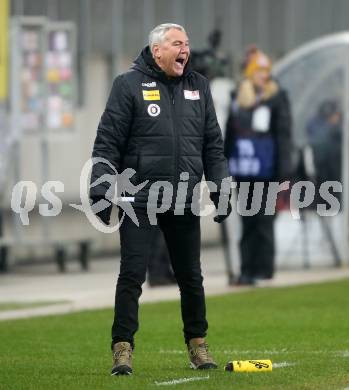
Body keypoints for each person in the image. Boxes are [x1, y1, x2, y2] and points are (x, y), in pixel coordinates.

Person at [90, 23, 231, 375]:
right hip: (138, 199)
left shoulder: (199, 86)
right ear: (157, 51)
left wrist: (221, 187)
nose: (185, 49)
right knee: (132, 274)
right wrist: (101, 189)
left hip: (182, 196)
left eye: (187, 42)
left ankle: (198, 345)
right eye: (177, 43)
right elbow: (107, 143)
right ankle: (122, 349)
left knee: (191, 277)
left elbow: (212, 144)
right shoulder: (128, 86)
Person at [224, 47, 292, 285]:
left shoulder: (276, 97)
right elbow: (230, 134)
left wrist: (284, 170)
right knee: (248, 220)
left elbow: (283, 135)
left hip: (267, 170)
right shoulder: (237, 97)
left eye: (266, 70)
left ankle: (263, 268)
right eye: (259, 70)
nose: (264, 75)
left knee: (264, 219)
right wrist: (222, 164)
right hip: (244, 170)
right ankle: (247, 268)